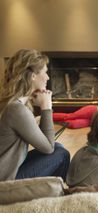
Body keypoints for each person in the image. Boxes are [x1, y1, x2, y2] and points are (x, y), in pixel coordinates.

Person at [0, 49, 70, 181]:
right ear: (32, 76)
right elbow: (48, 148)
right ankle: (55, 196)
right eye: (45, 72)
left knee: (59, 148)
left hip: (9, 170)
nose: (48, 77)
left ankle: (50, 192)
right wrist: (46, 107)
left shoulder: (13, 104)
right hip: (6, 179)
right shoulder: (16, 109)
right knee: (61, 153)